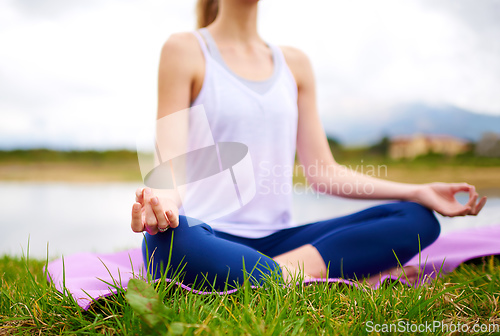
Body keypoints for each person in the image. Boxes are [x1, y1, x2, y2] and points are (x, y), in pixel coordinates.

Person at [130, 0, 487, 290]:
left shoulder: (295, 64)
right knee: (167, 244)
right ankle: (325, 278)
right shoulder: (185, 49)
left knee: (416, 218)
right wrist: (161, 202)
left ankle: (272, 278)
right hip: (211, 238)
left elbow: (323, 172)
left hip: (284, 240)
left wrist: (417, 190)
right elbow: (172, 166)